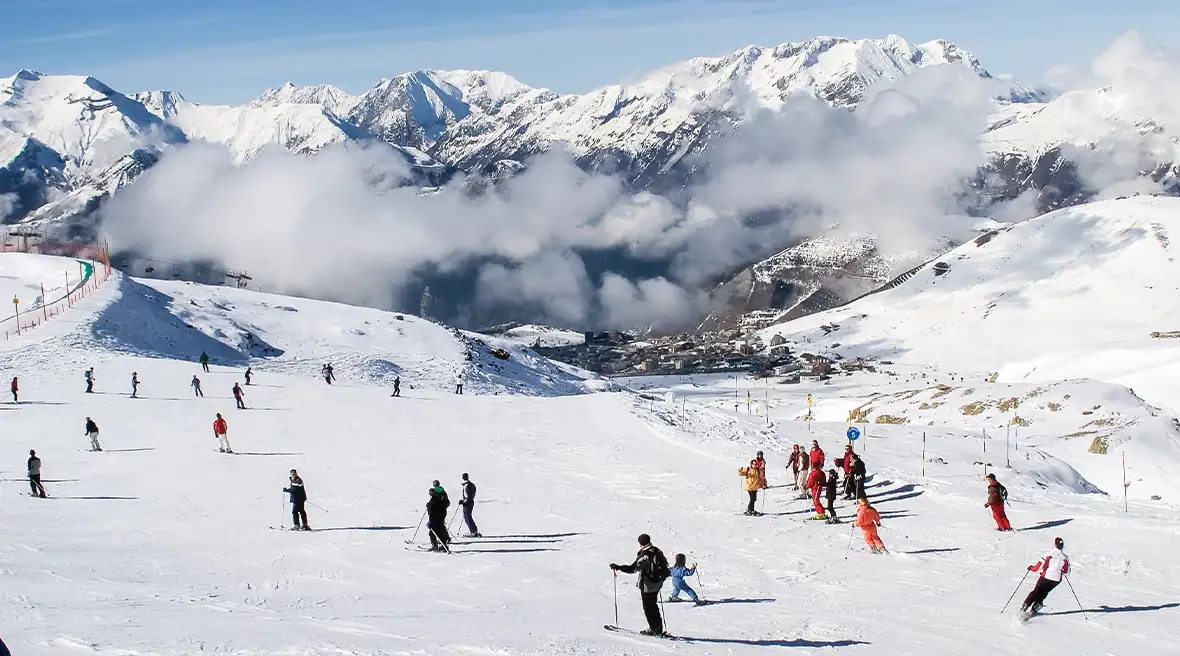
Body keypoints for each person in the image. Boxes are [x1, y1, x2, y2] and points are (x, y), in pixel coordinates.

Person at [610, 534, 670, 636]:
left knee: (648, 607)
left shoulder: (645, 555)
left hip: (648, 584)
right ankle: (658, 628)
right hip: (658, 583)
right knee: (653, 606)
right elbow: (666, 564)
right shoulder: (657, 550)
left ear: (640, 543)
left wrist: (618, 567)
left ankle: (654, 629)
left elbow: (632, 569)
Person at [1021, 537, 1071, 615]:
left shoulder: (1048, 554)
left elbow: (1037, 567)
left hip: (1046, 576)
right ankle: (1035, 608)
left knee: (1036, 591)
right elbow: (1066, 572)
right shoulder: (1065, 558)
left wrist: (1031, 568)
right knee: (1044, 592)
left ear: (1055, 544)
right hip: (1056, 580)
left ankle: (1025, 605)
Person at [426, 480, 451, 551]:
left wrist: (428, 506)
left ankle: (435, 545)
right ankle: (444, 543)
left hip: (435, 515)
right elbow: (446, 503)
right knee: (440, 528)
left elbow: (432, 508)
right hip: (442, 513)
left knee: (432, 531)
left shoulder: (434, 497)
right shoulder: (442, 492)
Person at [460, 472, 481, 537]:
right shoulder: (470, 484)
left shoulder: (466, 486)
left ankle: (473, 531)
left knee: (467, 517)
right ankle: (474, 530)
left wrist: (464, 502)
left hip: (467, 503)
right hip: (470, 502)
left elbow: (468, 496)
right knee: (468, 517)